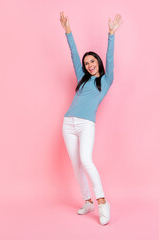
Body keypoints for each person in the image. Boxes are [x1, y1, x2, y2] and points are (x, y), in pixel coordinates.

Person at [60, 11, 123, 226]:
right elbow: (73, 54)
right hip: (68, 123)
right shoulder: (82, 78)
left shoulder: (106, 80)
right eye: (86, 63)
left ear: (98, 62)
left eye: (92, 61)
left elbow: (111, 58)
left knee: (86, 160)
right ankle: (87, 202)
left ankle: (102, 202)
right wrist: (68, 31)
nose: (89, 64)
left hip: (86, 124)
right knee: (76, 164)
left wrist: (111, 34)